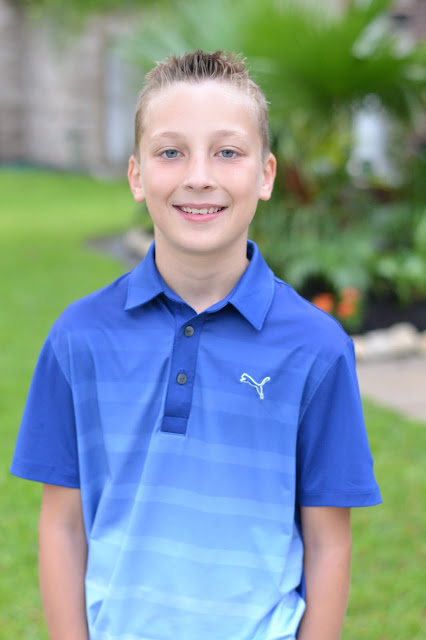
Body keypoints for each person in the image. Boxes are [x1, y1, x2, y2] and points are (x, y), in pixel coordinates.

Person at [11, 50, 381, 640]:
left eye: (227, 152)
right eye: (171, 152)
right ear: (137, 175)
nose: (199, 176)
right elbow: (62, 527)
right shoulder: (77, 338)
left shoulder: (318, 348)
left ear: (265, 175)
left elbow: (328, 542)